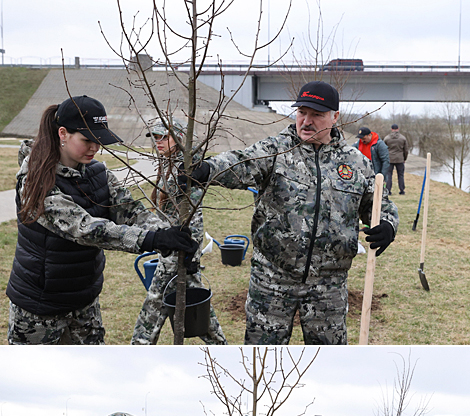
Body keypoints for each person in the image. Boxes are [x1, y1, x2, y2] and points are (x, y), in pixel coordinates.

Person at [186, 80, 397, 344]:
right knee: (261, 364)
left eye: (317, 115)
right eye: (301, 113)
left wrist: (388, 225)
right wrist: (206, 170)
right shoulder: (277, 150)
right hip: (272, 282)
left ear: (335, 117)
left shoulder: (355, 163)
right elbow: (240, 162)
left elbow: (380, 204)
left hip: (328, 286)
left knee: (327, 365)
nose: (306, 121)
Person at [6, 95, 196, 345]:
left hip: (85, 302)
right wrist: (152, 239)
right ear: (63, 133)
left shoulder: (98, 173)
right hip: (39, 308)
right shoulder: (35, 180)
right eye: (87, 140)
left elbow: (130, 210)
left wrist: (172, 240)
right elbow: (83, 228)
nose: (95, 148)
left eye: (98, 141)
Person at [132, 118, 226, 345]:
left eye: (163, 137)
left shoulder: (185, 170)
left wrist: (191, 256)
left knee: (154, 310)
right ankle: (220, 346)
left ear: (180, 138)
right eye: (154, 138)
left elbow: (193, 215)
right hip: (171, 250)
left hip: (179, 255)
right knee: (198, 312)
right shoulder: (167, 164)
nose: (158, 142)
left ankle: (139, 347)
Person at [383, 123, 409, 195]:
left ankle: (388, 190)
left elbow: (384, 149)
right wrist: (404, 158)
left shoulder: (387, 138)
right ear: (398, 129)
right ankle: (402, 190)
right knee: (400, 175)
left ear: (391, 129)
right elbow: (406, 150)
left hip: (390, 159)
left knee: (389, 175)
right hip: (400, 158)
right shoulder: (403, 138)